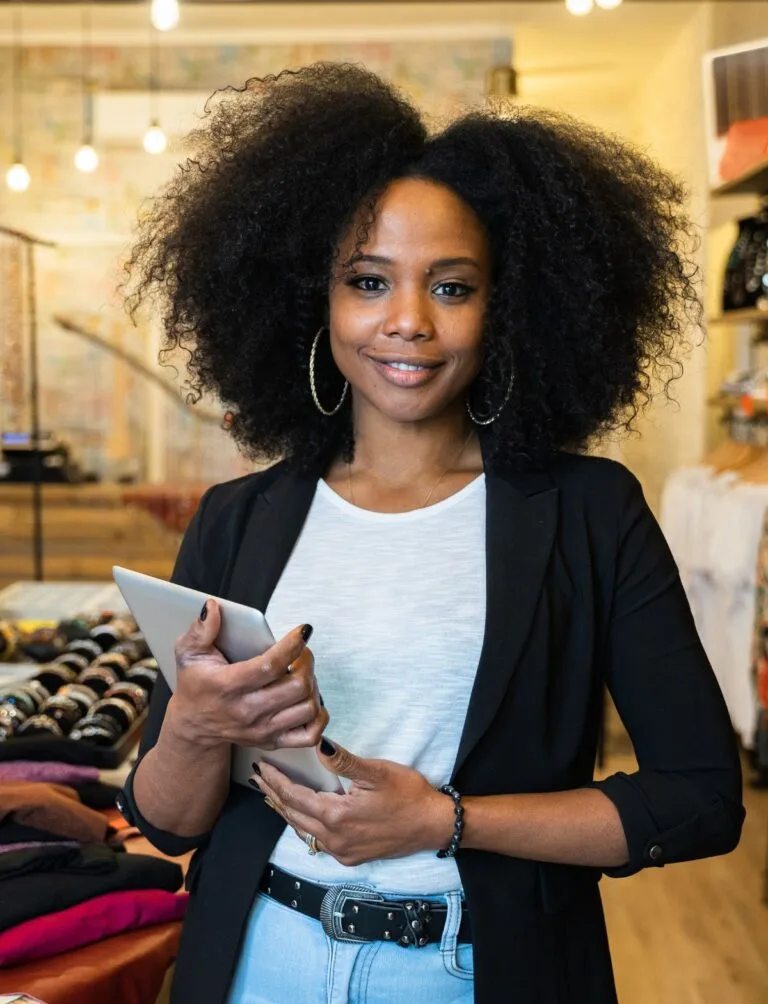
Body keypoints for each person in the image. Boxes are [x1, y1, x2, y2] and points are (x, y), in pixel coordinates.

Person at [118, 63, 745, 1004]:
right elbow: (167, 825)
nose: (407, 322)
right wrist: (197, 732)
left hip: (473, 971)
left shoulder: (588, 513)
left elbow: (699, 800)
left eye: (452, 288)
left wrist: (446, 821)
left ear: (512, 309)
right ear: (312, 302)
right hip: (259, 961)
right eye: (368, 281)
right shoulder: (237, 519)